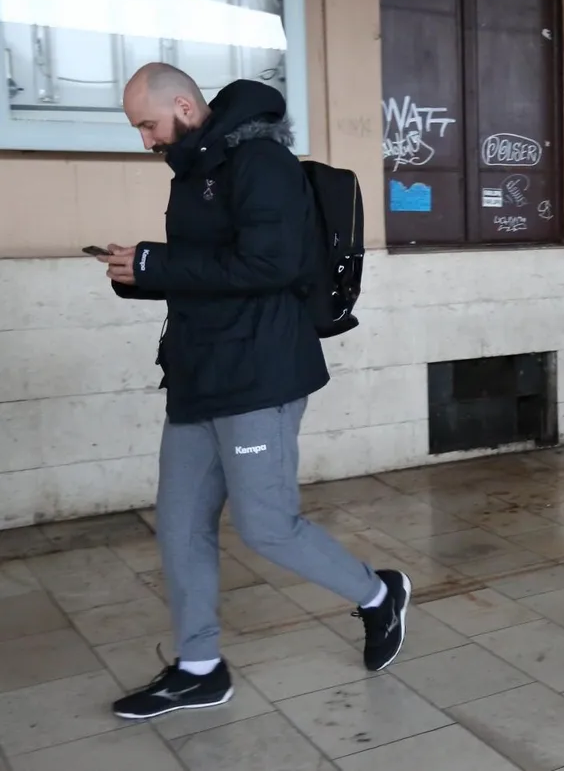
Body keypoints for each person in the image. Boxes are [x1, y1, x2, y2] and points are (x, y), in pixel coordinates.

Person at [97, 64, 410, 720]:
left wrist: (157, 262)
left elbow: (270, 264)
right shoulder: (195, 170)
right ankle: (199, 668)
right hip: (199, 374)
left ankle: (378, 595)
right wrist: (139, 274)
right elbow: (210, 272)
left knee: (267, 526)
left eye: (148, 125)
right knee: (180, 526)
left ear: (184, 107)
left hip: (258, 375)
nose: (146, 140)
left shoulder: (261, 162)